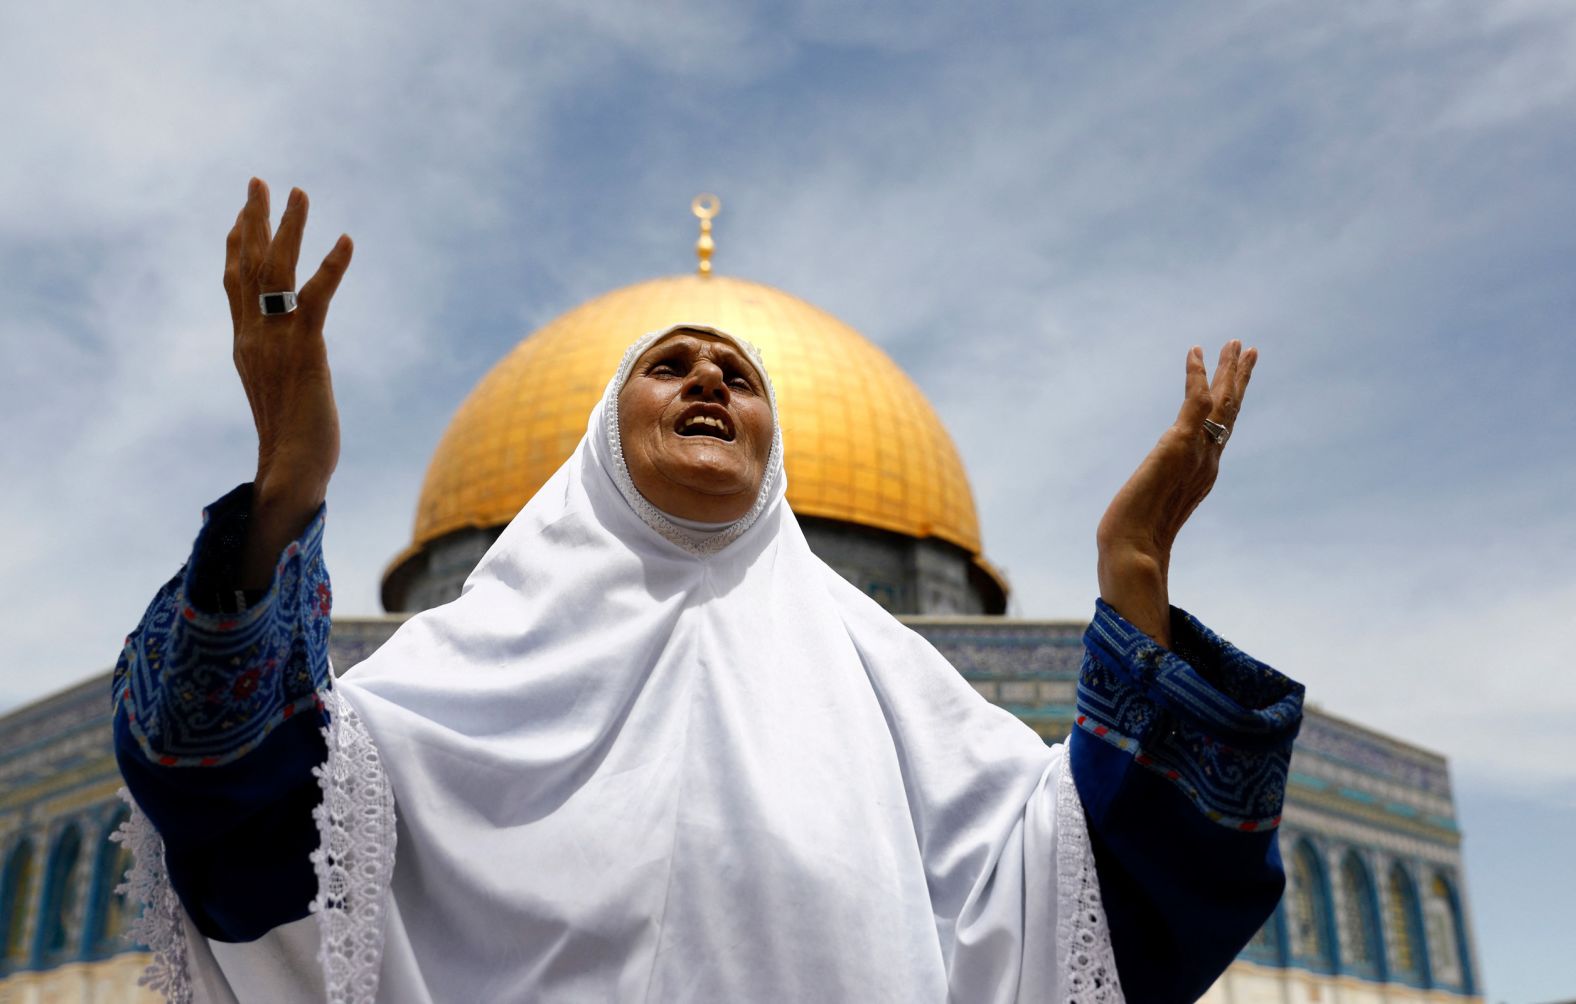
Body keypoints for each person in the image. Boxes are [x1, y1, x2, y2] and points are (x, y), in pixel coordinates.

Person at [112, 179, 1304, 1003]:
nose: (708, 382)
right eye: (669, 365)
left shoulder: (896, 705)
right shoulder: (445, 695)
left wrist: (1135, 576)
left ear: (774, 451)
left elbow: (1099, 904)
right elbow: (230, 792)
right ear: (597, 439)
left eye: (736, 374)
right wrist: (286, 487)